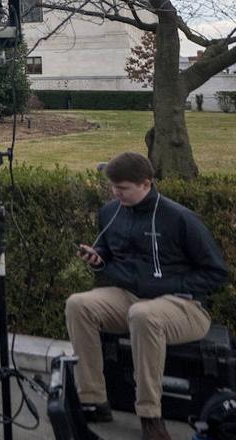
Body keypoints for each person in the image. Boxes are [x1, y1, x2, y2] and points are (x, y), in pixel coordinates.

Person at [66, 151, 228, 440]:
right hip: (128, 297)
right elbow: (109, 254)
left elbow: (216, 272)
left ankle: (150, 416)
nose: (116, 193)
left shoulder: (179, 218)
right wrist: (98, 259)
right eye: (113, 187)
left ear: (146, 183)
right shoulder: (110, 212)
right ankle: (94, 399)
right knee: (78, 304)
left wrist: (166, 283)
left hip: (184, 304)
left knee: (143, 315)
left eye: (123, 188)